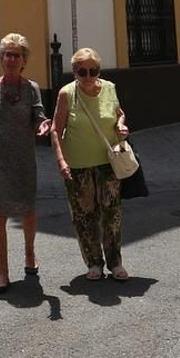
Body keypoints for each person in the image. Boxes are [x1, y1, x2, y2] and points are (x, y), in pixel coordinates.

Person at [0, 33, 51, 294]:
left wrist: (43, 125)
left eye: (16, 54)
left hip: (23, 159)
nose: (11, 58)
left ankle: (29, 253)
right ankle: (2, 272)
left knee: (28, 210)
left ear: (23, 60)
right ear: (2, 58)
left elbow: (38, 114)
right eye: (7, 53)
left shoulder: (31, 88)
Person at [50, 47, 130, 281]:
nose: (87, 76)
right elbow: (56, 129)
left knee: (112, 215)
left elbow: (120, 113)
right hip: (78, 166)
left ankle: (115, 262)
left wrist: (121, 125)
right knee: (85, 216)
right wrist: (61, 160)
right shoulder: (67, 94)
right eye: (81, 71)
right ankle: (94, 262)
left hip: (109, 163)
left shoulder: (109, 88)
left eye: (92, 70)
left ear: (98, 70)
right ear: (74, 71)